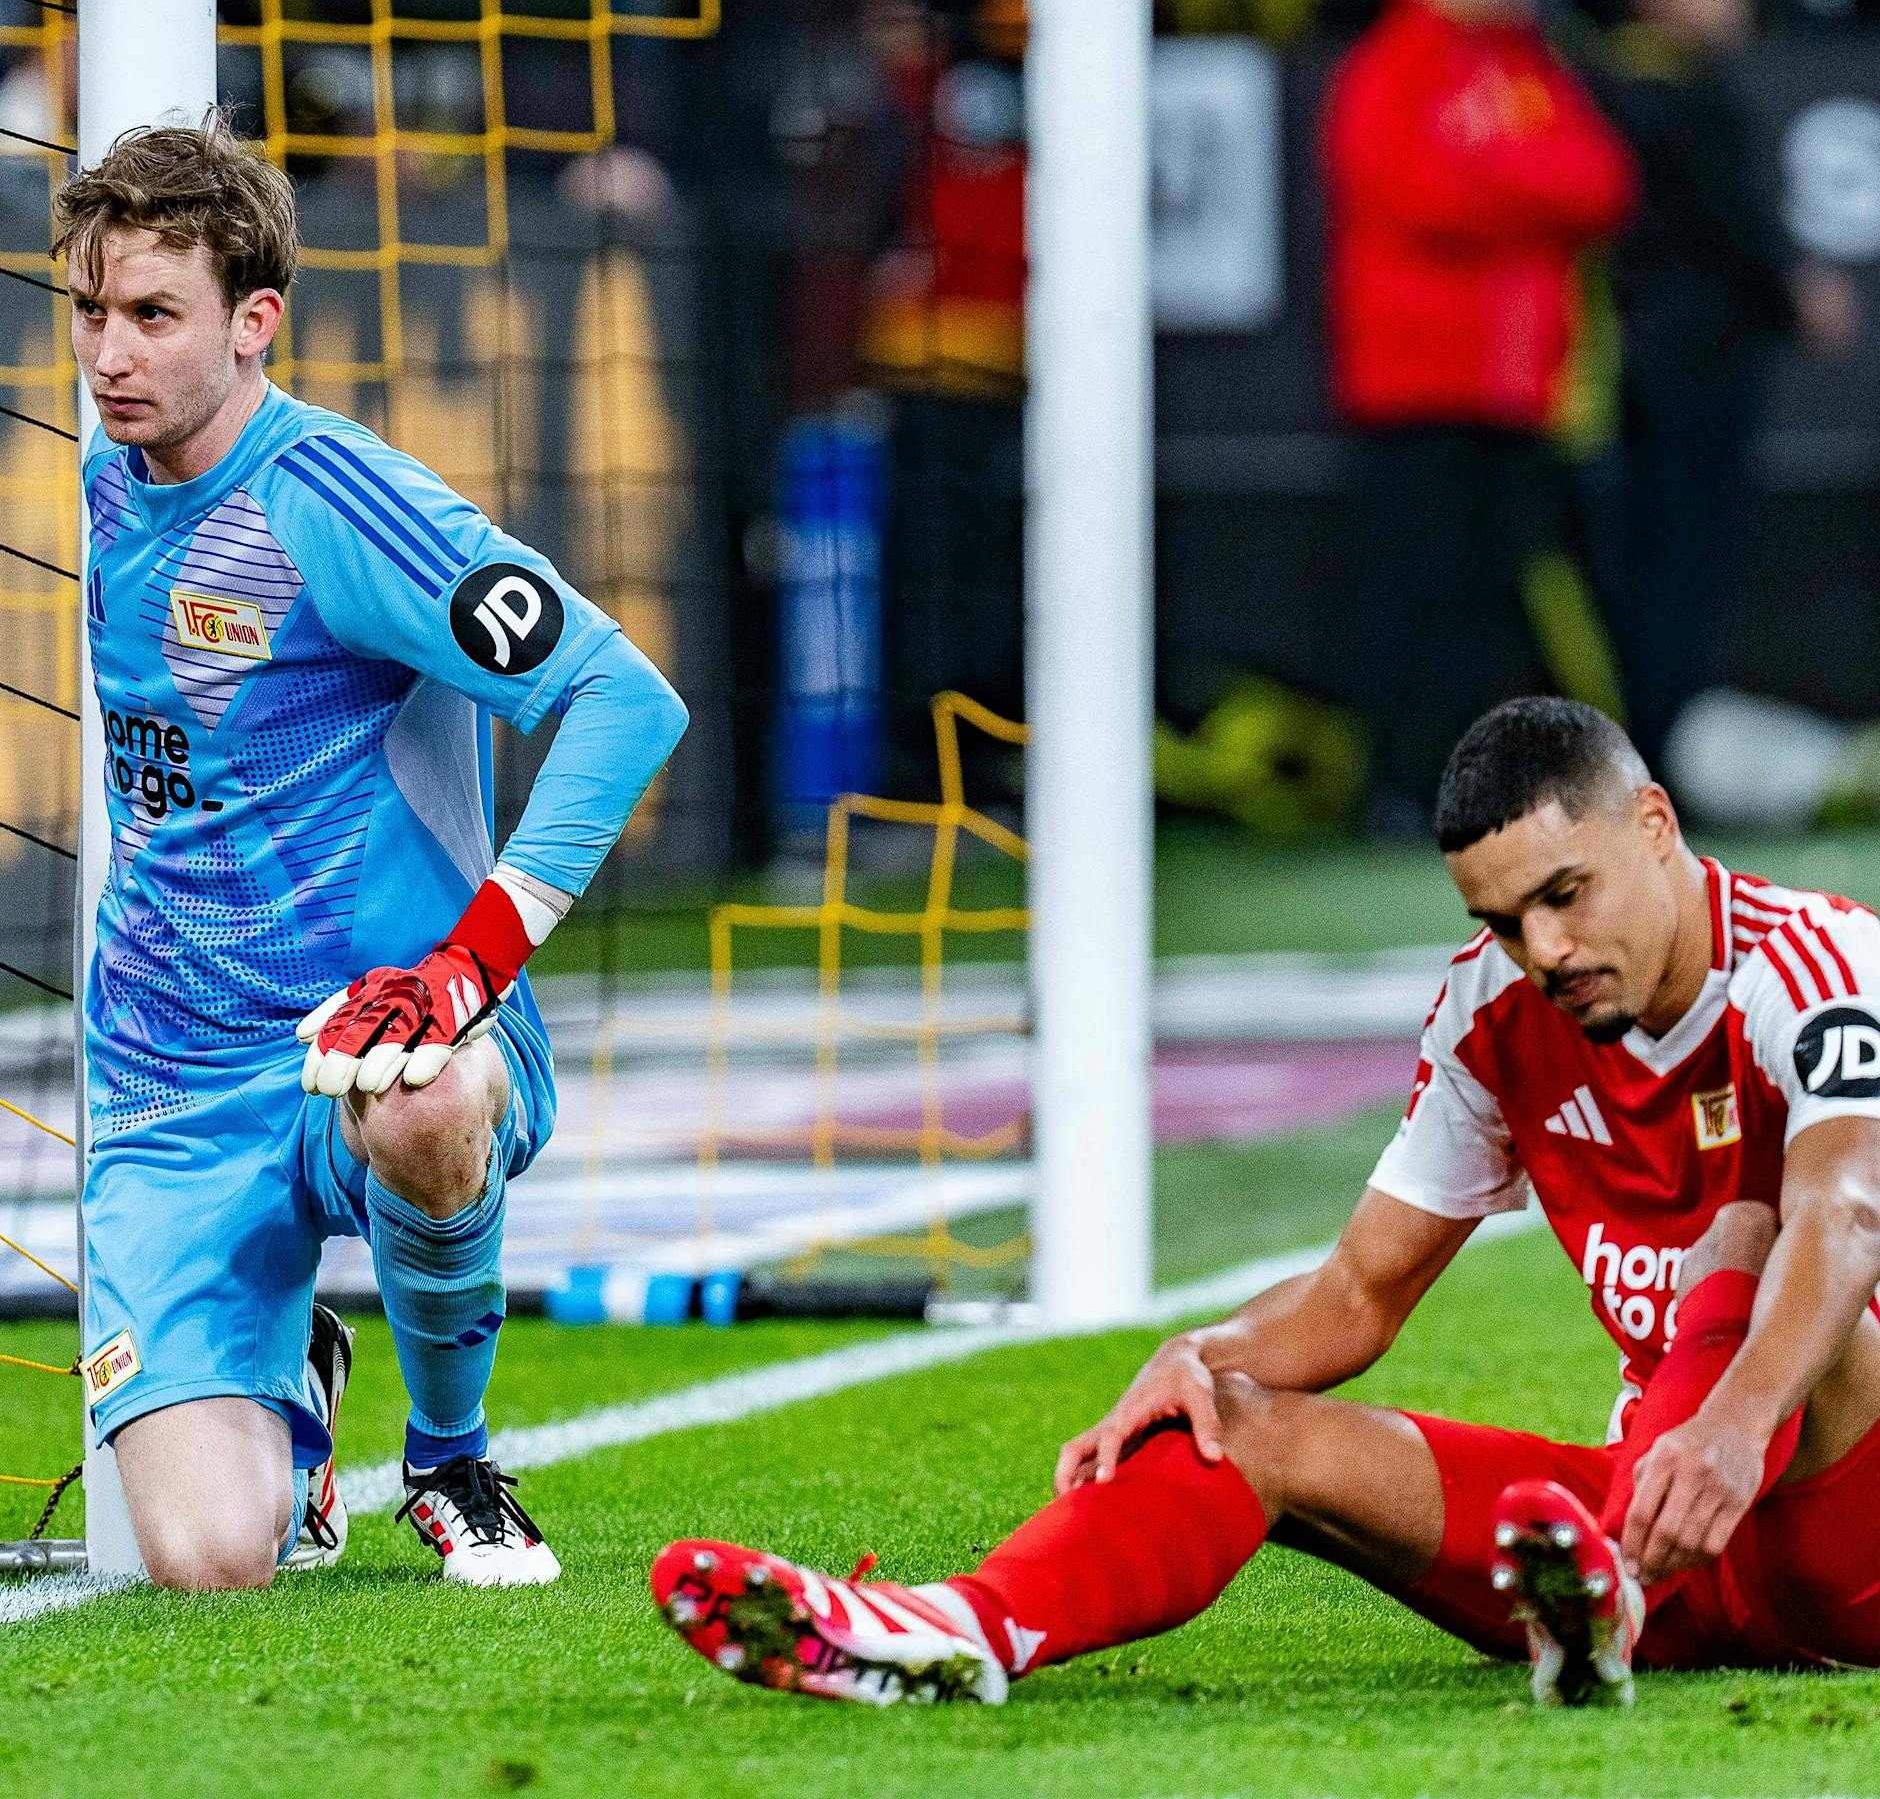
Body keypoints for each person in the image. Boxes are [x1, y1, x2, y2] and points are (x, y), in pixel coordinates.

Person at [650, 697, 1880, 1706]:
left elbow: (1846, 1209)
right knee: (1241, 1419)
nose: (1542, 948)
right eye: (1503, 921)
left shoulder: (1815, 960)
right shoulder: (1492, 1015)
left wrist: (1730, 1423)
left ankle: (1606, 1567)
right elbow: (1359, 1289)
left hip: (1838, 1517)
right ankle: (955, 1629)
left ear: (1654, 825)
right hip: (1654, 1536)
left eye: (1565, 893)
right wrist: (1201, 1350)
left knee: (1756, 1221)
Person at [63, 116, 688, 1591]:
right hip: (166, 1077)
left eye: (154, 315)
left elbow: (623, 697)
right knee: (209, 1562)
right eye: (90, 312)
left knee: (421, 1092)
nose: (109, 356)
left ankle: (453, 1458)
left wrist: (463, 970)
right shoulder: (108, 482)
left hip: (383, 1032)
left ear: (254, 321)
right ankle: (305, 1394)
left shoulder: (339, 505)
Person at [1321, 0, 1636, 829]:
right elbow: (1416, 191)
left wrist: (1493, 178)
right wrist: (1524, 192)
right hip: (1413, 388)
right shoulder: (1388, 66)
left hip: (1518, 390)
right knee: (1413, 593)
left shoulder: (1528, 67)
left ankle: (1479, 794)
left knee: (1496, 602)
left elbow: (1604, 181)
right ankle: (1392, 787)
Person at [1584, 0, 1857, 774]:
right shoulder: (1682, 94)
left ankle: (1645, 748)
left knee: (1655, 559)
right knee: (1680, 563)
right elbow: (1734, 224)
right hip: (1692, 363)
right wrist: (1794, 291)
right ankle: (1657, 751)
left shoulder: (1612, 82)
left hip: (1642, 358)